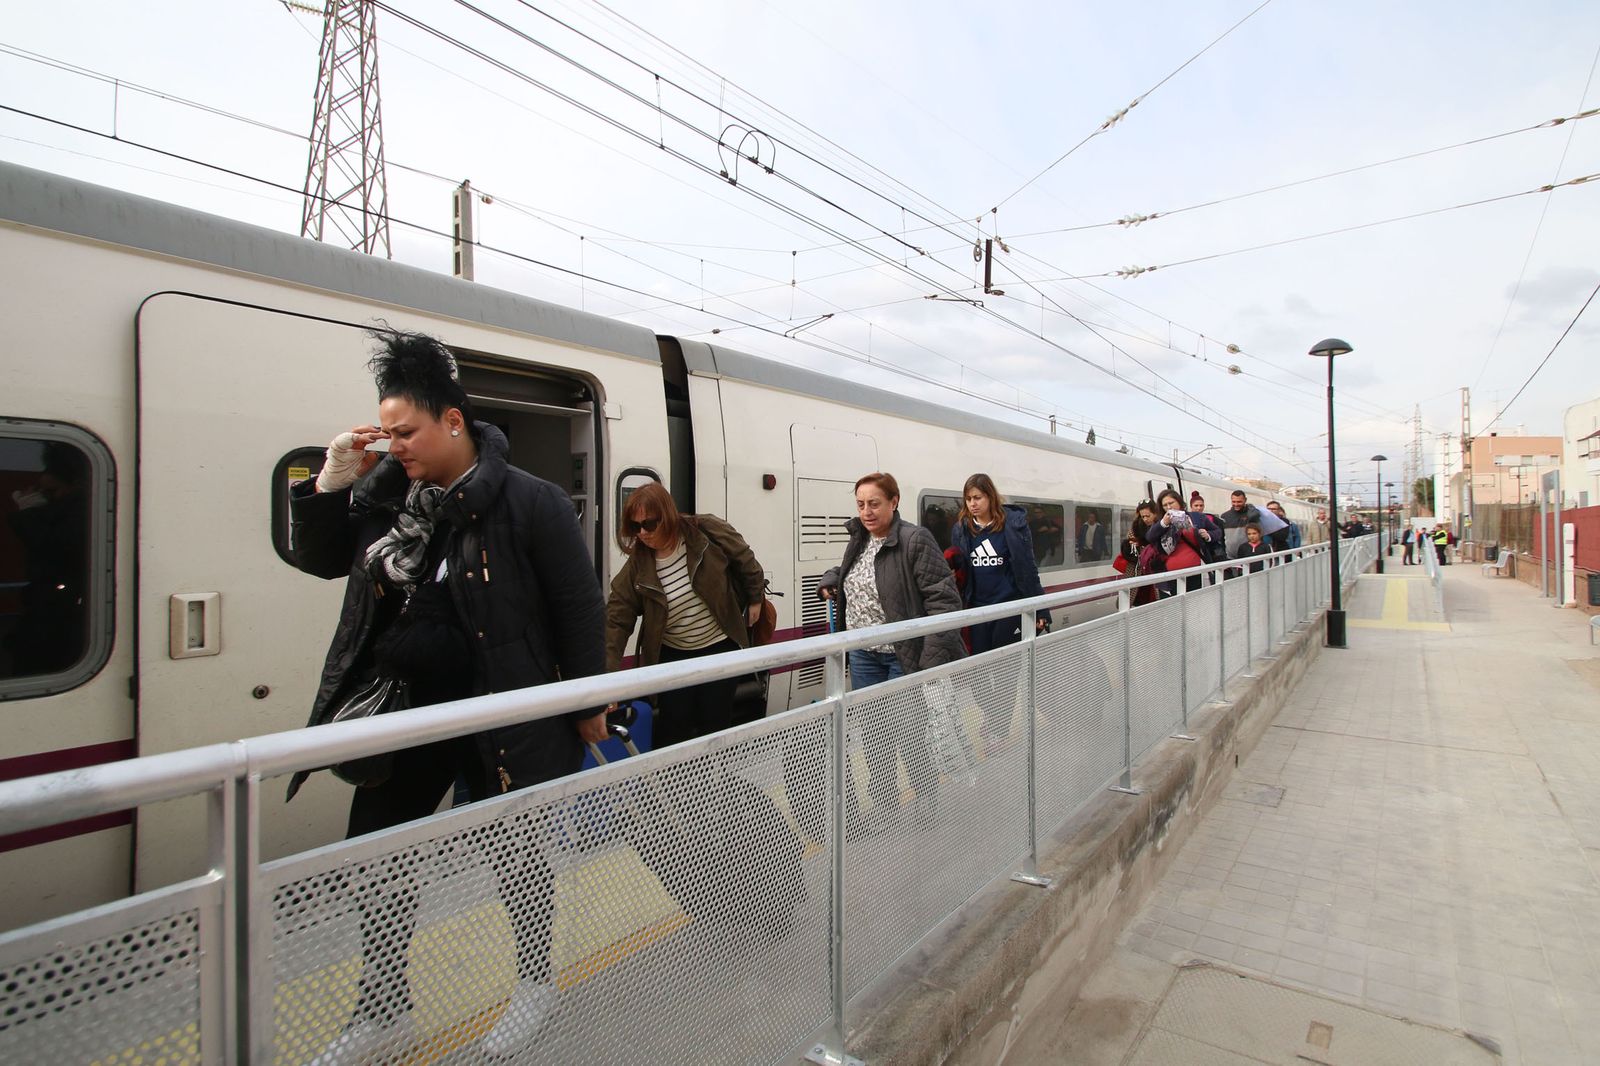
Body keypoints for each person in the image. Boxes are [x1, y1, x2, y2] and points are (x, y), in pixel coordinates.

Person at [288, 329, 608, 1063]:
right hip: (402, 705)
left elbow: (577, 606)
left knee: (515, 853)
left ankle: (534, 984)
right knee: (379, 856)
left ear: (454, 422)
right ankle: (383, 1006)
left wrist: (589, 704)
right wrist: (330, 482)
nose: (394, 445)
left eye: (407, 431)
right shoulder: (381, 497)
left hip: (500, 702)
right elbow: (317, 560)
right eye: (386, 430)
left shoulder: (532, 503)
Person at [818, 472, 964, 830]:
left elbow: (944, 600)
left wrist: (928, 661)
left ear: (894, 502)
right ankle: (885, 804)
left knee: (909, 730)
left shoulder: (915, 540)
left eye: (874, 504)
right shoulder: (860, 538)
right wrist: (830, 578)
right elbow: (857, 572)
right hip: (865, 653)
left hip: (905, 654)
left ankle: (926, 796)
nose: (867, 511)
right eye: (861, 504)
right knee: (874, 733)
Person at [604, 482, 767, 745]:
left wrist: (755, 597)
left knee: (714, 724)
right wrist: (608, 681)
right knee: (673, 727)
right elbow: (616, 619)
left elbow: (745, 559)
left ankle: (714, 779)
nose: (642, 533)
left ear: (667, 516)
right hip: (672, 654)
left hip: (718, 647)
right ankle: (678, 783)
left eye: (649, 523)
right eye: (636, 526)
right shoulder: (639, 564)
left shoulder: (706, 531)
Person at [949, 474, 1051, 652]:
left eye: (977, 498)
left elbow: (1027, 569)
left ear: (990, 496)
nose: (972, 503)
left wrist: (1040, 609)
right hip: (977, 612)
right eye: (968, 499)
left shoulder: (1011, 526)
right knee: (978, 670)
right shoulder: (961, 530)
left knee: (1006, 670)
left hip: (1007, 609)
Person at [1114, 500, 1164, 606]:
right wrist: (1132, 546)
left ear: (1155, 513)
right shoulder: (1136, 527)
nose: (1145, 519)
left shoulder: (1162, 525)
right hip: (1136, 568)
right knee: (1133, 598)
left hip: (1154, 569)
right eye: (1142, 516)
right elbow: (1129, 546)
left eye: (1148, 516)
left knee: (1156, 598)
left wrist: (1143, 545)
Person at [1217, 490, 1263, 558]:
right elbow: (1221, 538)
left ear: (1245, 500)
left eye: (1239, 502)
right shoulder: (1224, 516)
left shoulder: (1252, 515)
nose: (1236, 504)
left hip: (1249, 556)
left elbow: (1259, 536)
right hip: (1230, 557)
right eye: (1233, 501)